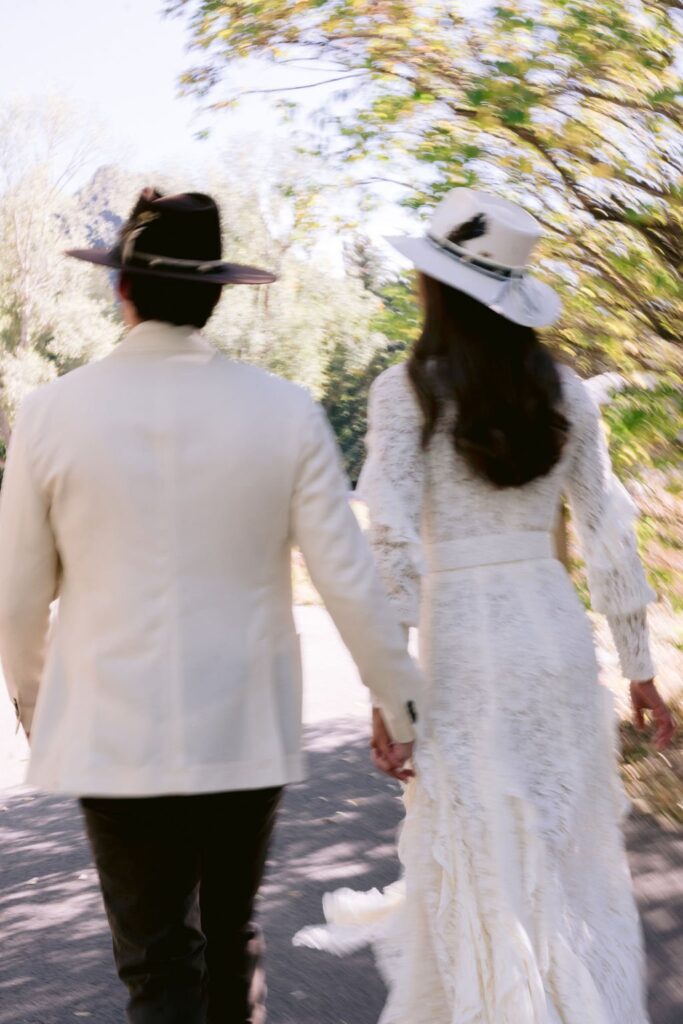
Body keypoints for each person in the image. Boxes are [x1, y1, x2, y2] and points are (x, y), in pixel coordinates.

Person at [0, 187, 420, 1024]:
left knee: (155, 964)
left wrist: (39, 704)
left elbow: (16, 596)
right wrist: (397, 703)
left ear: (121, 288)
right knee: (232, 939)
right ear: (218, 294)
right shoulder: (286, 411)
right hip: (243, 727)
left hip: (112, 730)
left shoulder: (49, 414)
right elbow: (347, 575)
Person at [295, 188, 675, 1024]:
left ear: (435, 288)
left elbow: (390, 548)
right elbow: (609, 534)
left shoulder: (407, 392)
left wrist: (390, 700)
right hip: (554, 638)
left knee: (482, 863)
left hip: (464, 640)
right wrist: (640, 672)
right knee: (566, 862)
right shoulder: (568, 394)